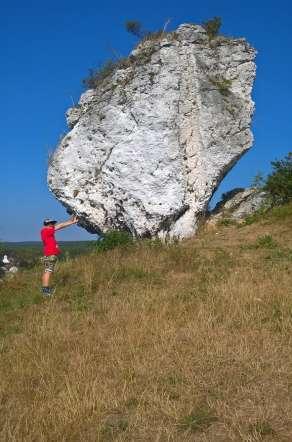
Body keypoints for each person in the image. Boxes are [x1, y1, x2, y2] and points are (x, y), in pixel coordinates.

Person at [40, 216, 78, 296]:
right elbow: (60, 226)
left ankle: (44, 290)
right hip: (50, 254)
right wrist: (71, 222)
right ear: (47, 224)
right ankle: (46, 292)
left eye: (53, 224)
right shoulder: (47, 231)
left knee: (47, 271)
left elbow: (60, 226)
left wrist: (69, 221)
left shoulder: (45, 231)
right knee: (48, 271)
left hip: (47, 254)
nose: (53, 225)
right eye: (51, 224)